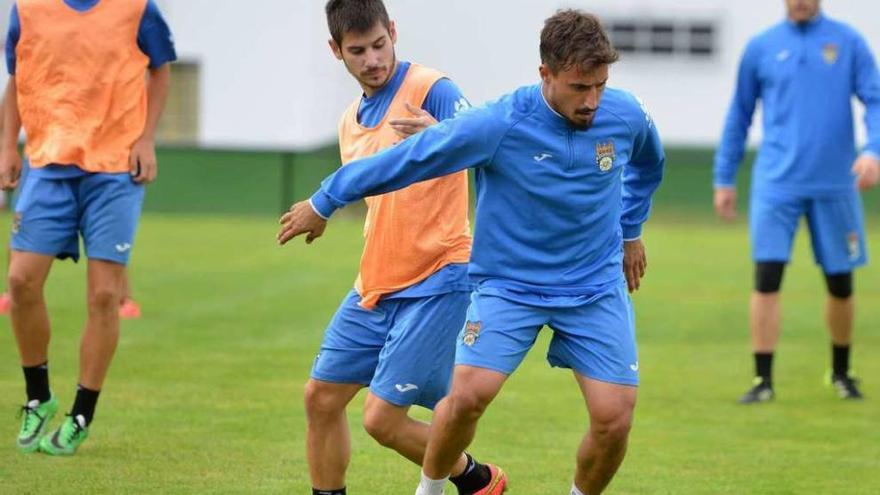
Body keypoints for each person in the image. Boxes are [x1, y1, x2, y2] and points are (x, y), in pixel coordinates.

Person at [279, 9, 664, 495]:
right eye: (578, 87)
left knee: (614, 420)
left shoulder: (625, 114)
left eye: (599, 86)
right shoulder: (501, 122)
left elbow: (650, 165)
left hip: (594, 287)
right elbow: (406, 160)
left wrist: (631, 231)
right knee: (465, 399)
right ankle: (433, 490)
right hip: (510, 288)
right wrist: (325, 200)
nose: (591, 101)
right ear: (545, 75)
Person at [292, 2, 505, 494]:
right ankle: (473, 481)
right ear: (336, 52)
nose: (372, 59)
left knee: (382, 420)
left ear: (393, 32)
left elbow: (483, 139)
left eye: (379, 45)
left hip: (439, 275)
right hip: (375, 284)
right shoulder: (350, 121)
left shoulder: (432, 89)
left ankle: (474, 475)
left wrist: (442, 136)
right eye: (358, 51)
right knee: (320, 397)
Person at [2, 0, 175, 455]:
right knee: (20, 280)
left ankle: (81, 413)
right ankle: (38, 395)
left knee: (104, 295)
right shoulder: (26, 8)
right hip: (46, 163)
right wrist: (6, 147)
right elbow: (17, 78)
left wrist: (146, 138)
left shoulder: (139, 9)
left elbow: (161, 71)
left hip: (115, 170)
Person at [713, 0, 880, 403]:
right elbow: (740, 114)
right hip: (777, 183)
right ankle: (762, 381)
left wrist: (873, 149)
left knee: (840, 282)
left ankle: (841, 372)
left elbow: (874, 100)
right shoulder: (761, 47)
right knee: (767, 277)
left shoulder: (848, 42)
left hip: (835, 183)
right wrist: (724, 176)